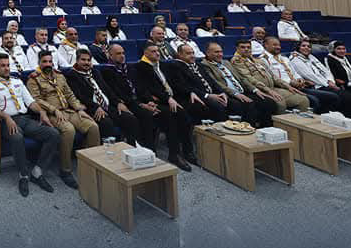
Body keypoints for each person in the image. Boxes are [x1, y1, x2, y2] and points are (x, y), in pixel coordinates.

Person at [102, 43, 195, 171]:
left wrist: (149, 101)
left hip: (141, 101)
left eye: (123, 53)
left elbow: (141, 88)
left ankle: (176, 153)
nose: (122, 56)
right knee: (156, 115)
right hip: (128, 104)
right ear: (110, 55)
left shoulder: (130, 68)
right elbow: (117, 92)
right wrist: (141, 104)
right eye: (118, 54)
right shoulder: (107, 71)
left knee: (175, 112)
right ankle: (151, 153)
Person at [0, 54, 60, 197]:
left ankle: (37, 172)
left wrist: (42, 112)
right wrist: (6, 117)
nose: (7, 68)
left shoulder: (17, 81)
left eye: (8, 65)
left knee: (53, 134)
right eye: (3, 66)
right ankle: (23, 175)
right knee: (17, 137)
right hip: (7, 122)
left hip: (24, 118)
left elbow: (30, 102)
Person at [26, 51, 98, 189]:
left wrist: (79, 108)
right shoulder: (33, 79)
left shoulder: (59, 76)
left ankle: (91, 164)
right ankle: (65, 170)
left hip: (68, 111)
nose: (48, 64)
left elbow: (69, 94)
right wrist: (54, 110)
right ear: (39, 63)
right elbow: (36, 100)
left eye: (50, 61)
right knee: (68, 130)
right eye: (44, 62)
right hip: (51, 114)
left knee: (93, 127)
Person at [65, 48, 142, 145]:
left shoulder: (95, 72)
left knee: (130, 118)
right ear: (77, 60)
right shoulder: (72, 75)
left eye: (88, 60)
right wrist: (96, 107)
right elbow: (79, 96)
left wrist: (118, 102)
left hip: (107, 106)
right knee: (106, 123)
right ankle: (109, 151)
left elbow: (107, 90)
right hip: (92, 108)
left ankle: (131, 147)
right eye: (83, 60)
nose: (86, 63)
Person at [200, 42, 276, 126]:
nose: (220, 54)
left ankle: (265, 128)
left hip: (242, 90)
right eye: (216, 52)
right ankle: (248, 129)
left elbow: (241, 78)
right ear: (208, 53)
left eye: (221, 51)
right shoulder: (204, 65)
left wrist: (255, 90)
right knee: (249, 104)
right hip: (228, 94)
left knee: (268, 102)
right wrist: (235, 93)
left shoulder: (226, 62)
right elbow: (216, 83)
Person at [230, 39, 309, 113]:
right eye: (243, 47)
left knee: (303, 100)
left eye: (248, 47)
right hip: (260, 90)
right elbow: (249, 79)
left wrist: (288, 86)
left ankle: (300, 122)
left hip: (273, 88)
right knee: (280, 104)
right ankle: (281, 123)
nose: (246, 49)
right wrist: (268, 90)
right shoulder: (237, 61)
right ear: (237, 48)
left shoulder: (257, 60)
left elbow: (273, 76)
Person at [258, 35, 330, 112]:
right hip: (282, 87)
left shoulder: (284, 58)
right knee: (314, 100)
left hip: (298, 86)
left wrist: (299, 79)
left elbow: (294, 73)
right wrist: (290, 82)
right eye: (275, 45)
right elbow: (272, 78)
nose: (278, 47)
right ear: (266, 45)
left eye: (279, 45)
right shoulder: (263, 60)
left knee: (328, 96)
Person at [291, 40, 351, 118]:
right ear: (298, 47)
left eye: (309, 46)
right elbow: (311, 76)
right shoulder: (295, 59)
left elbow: (326, 70)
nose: (306, 48)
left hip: (327, 83)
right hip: (317, 86)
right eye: (303, 46)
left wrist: (330, 81)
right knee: (346, 97)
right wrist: (327, 84)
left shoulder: (311, 57)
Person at [164, 44, 231, 123]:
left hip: (211, 94)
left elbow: (211, 81)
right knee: (217, 106)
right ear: (180, 55)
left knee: (234, 103)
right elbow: (184, 86)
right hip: (195, 96)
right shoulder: (174, 66)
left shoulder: (198, 65)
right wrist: (207, 95)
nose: (192, 56)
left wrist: (221, 92)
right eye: (188, 53)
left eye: (193, 53)